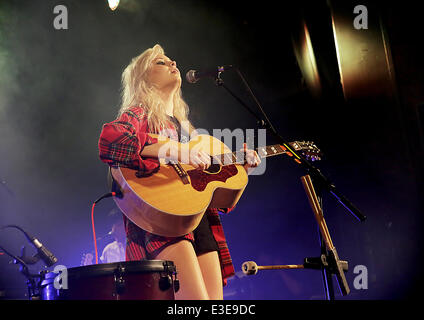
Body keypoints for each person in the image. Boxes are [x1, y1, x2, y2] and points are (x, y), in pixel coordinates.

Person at [98, 44, 261, 300]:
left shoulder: (187, 128)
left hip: (199, 219)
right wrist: (175, 150)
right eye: (161, 62)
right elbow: (112, 140)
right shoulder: (140, 113)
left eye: (172, 60)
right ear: (143, 78)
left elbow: (208, 185)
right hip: (165, 216)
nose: (173, 63)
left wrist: (242, 168)